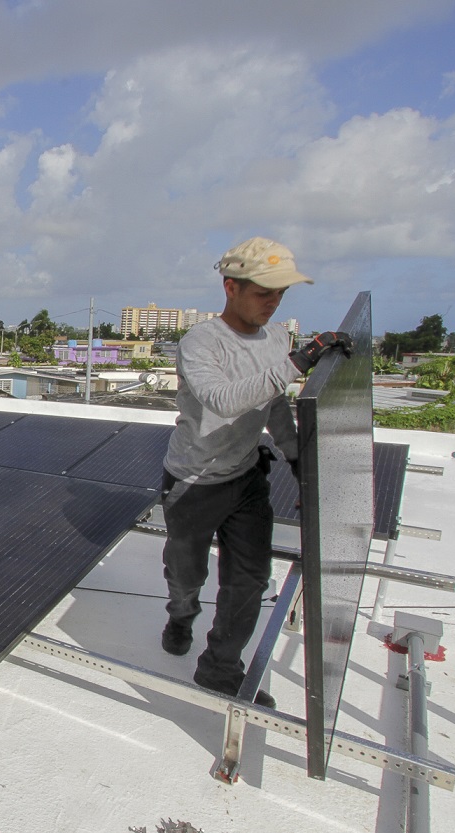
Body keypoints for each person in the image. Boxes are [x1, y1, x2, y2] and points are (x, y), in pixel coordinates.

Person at [159, 236, 351, 710]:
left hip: (245, 477)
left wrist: (296, 459)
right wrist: (298, 362)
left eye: (281, 293)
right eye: (264, 292)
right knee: (187, 575)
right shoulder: (200, 342)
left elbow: (273, 406)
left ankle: (220, 668)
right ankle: (181, 615)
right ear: (230, 288)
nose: (274, 302)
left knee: (249, 578)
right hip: (193, 482)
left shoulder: (277, 339)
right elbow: (224, 401)